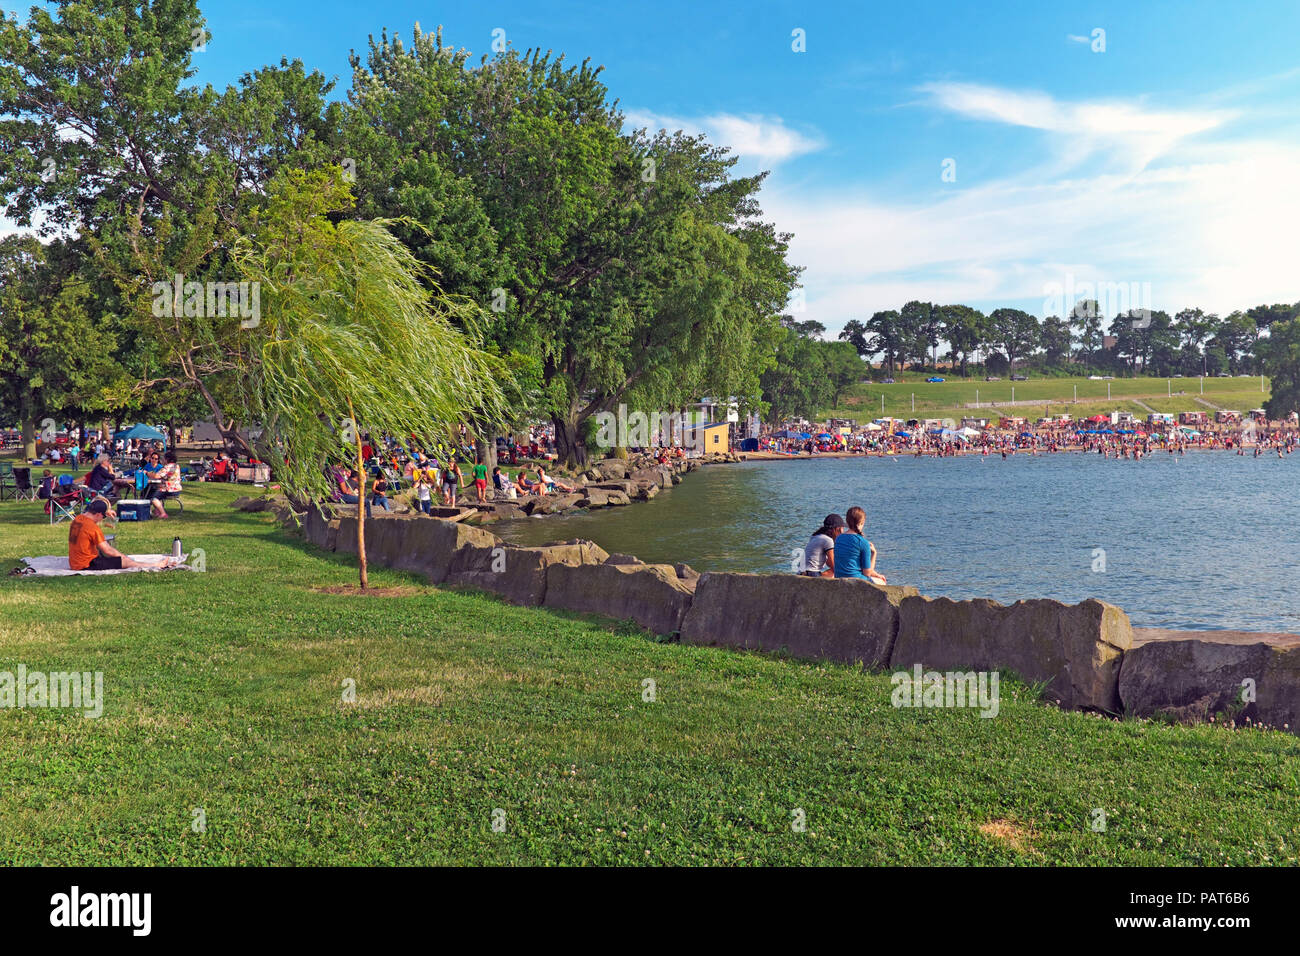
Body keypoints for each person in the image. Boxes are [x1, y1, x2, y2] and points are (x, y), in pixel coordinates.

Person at [68, 499, 177, 571]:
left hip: (75, 561)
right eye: (103, 517)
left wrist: (106, 512)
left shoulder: (78, 519)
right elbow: (108, 550)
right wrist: (124, 557)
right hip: (86, 565)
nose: (103, 519)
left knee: (122, 560)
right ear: (97, 514)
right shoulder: (92, 527)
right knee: (125, 562)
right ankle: (157, 565)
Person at [833, 506, 887, 585]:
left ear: (847, 522)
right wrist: (874, 553)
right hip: (856, 580)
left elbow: (851, 565)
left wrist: (876, 575)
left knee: (877, 578)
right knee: (882, 583)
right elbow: (867, 573)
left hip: (839, 578)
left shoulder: (838, 539)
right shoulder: (863, 542)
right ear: (862, 522)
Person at [148, 451, 183, 518]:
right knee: (157, 494)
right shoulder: (177, 466)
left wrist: (147, 473)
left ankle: (163, 513)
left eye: (163, 458)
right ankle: (157, 511)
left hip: (169, 490)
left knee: (153, 498)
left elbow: (156, 476)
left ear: (167, 459)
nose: (162, 460)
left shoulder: (167, 467)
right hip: (177, 489)